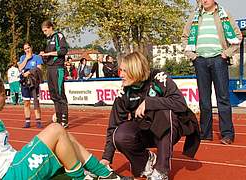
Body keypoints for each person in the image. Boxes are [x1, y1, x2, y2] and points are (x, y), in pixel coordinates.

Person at [0, 76, 132, 180]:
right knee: (56, 129)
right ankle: (82, 178)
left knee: (64, 136)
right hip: (10, 174)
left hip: (15, 165)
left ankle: (107, 176)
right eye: (3, 94)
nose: (6, 97)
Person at [100, 52, 200, 180]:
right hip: (145, 130)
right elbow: (114, 125)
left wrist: (150, 102)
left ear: (135, 70)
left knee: (163, 113)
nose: (121, 75)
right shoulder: (124, 92)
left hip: (170, 128)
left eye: (124, 71)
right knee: (119, 135)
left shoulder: (158, 78)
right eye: (120, 70)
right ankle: (146, 161)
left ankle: (161, 171)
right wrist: (106, 158)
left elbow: (180, 104)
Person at [182, 0, 242, 145]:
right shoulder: (194, 16)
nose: (204, 0)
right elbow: (184, 38)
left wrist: (225, 54)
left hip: (218, 60)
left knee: (223, 98)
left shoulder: (224, 14)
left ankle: (227, 134)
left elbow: (238, 37)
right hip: (200, 61)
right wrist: (193, 57)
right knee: (204, 100)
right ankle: (205, 133)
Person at [40, 20, 69, 128]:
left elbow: (63, 51)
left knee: (60, 93)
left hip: (58, 68)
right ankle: (58, 117)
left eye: (45, 30)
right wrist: (44, 55)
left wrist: (48, 53)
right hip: (50, 68)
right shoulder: (49, 40)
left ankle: (65, 120)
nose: (44, 33)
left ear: (51, 27)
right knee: (53, 95)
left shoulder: (59, 36)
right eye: (43, 31)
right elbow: (49, 55)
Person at [18, 42, 43, 128]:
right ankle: (27, 121)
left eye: (28, 48)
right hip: (25, 82)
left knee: (36, 102)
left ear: (31, 47)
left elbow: (39, 69)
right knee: (26, 102)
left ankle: (38, 121)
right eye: (25, 49)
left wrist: (29, 72)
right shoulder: (22, 57)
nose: (27, 50)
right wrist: (26, 59)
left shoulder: (37, 57)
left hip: (34, 82)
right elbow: (20, 68)